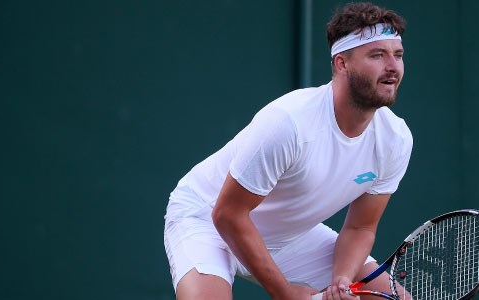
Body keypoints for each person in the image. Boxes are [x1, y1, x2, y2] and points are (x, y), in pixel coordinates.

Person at [163, 2, 412, 299]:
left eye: (397, 55)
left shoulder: (395, 139)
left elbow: (360, 227)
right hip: (208, 218)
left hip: (290, 234)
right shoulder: (289, 123)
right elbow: (228, 214)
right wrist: (284, 292)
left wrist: (340, 280)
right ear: (341, 63)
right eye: (377, 55)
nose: (392, 67)